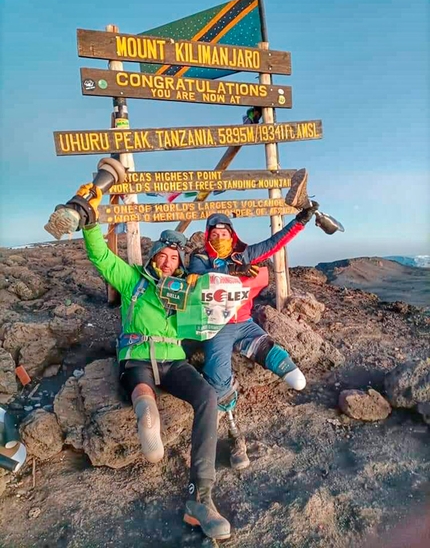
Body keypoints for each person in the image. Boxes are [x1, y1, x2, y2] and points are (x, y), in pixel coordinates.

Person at [67, 181, 231, 541]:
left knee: (206, 396)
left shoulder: (185, 292)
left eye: (175, 259)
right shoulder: (133, 281)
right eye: (163, 255)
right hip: (137, 357)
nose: (168, 262)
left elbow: (204, 324)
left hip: (173, 360)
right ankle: (148, 417)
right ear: (154, 255)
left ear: (179, 264)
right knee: (144, 397)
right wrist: (90, 223)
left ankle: (201, 496)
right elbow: (102, 258)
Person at [187, 169, 318, 470]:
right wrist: (231, 274)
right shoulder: (200, 259)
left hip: (245, 323)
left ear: (232, 235)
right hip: (216, 327)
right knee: (218, 381)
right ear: (208, 237)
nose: (220, 238)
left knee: (286, 367)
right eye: (215, 234)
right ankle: (235, 432)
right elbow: (201, 279)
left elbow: (274, 242)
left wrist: (300, 221)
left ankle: (278, 363)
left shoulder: (244, 255)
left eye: (224, 234)